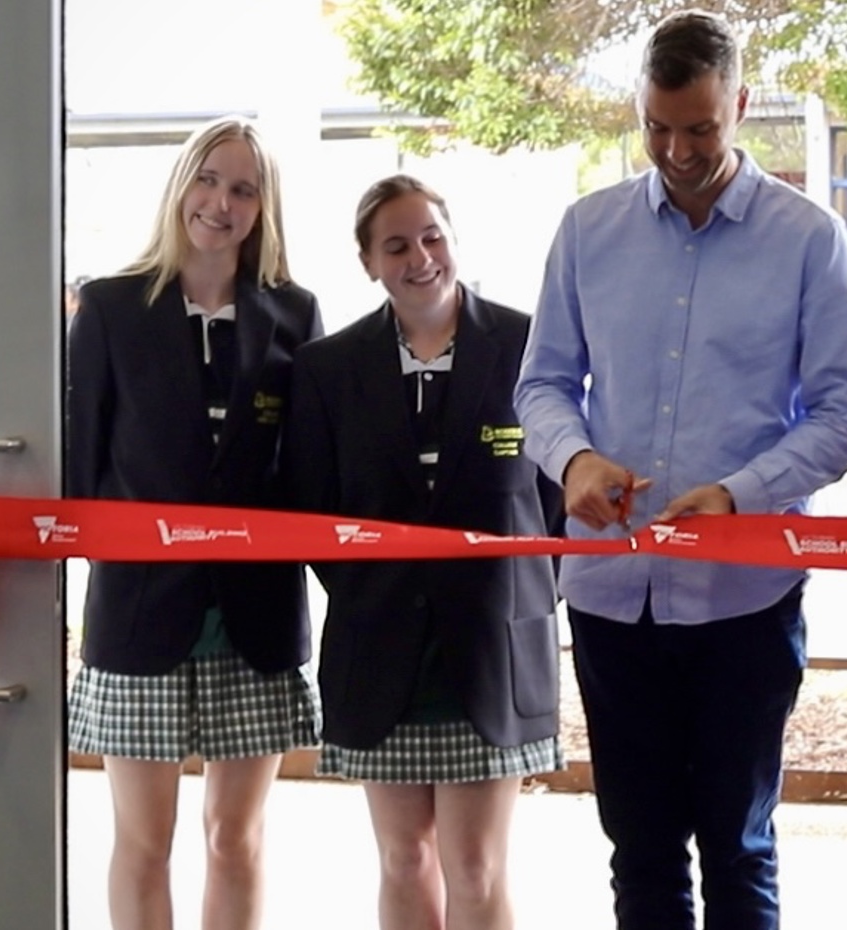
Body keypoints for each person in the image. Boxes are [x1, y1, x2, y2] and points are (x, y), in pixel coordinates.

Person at [513, 10, 847, 928]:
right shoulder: (586, 230)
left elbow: (845, 413)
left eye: (701, 128)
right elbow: (543, 385)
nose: (676, 149)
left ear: (743, 106)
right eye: (657, 126)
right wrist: (577, 456)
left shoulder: (809, 238)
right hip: (608, 594)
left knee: (738, 846)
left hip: (744, 601)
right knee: (638, 851)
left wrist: (741, 495)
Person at [65, 115, 324, 930]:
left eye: (244, 189)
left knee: (235, 840)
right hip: (142, 614)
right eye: (209, 180)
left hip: (256, 620)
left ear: (262, 208)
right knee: (144, 841)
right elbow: (81, 468)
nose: (221, 201)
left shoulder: (293, 312)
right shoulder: (108, 308)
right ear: (182, 186)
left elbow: (310, 473)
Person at [287, 174, 564, 930]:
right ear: (369, 262)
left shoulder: (528, 345)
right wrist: (382, 586)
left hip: (492, 649)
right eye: (397, 245)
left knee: (474, 865)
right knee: (404, 858)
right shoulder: (328, 369)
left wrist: (523, 592)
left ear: (453, 239)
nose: (420, 257)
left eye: (432, 236)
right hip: (380, 651)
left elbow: (559, 503)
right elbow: (314, 514)